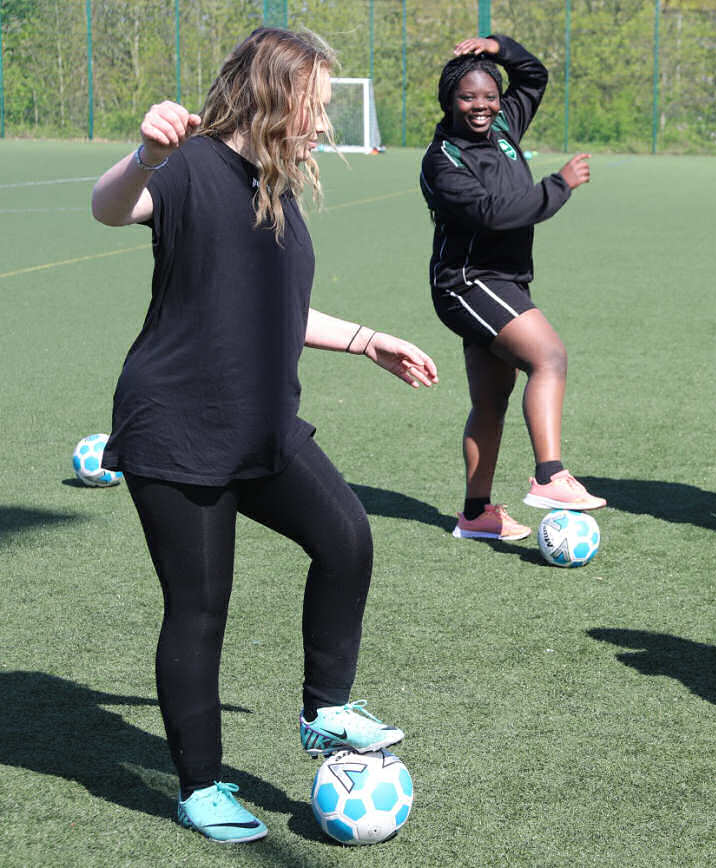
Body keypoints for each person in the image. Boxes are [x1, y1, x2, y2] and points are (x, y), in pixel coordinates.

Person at [90, 28, 439, 842]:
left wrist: (365, 339)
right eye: (314, 107)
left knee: (347, 537)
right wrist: (143, 153)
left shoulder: (270, 183)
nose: (321, 124)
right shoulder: (187, 163)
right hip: (177, 428)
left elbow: (271, 307)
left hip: (262, 424)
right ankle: (200, 787)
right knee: (200, 609)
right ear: (273, 96)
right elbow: (111, 208)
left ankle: (327, 710)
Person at [420, 34, 605, 542]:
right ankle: (550, 477)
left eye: (488, 96)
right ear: (448, 101)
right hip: (467, 284)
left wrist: (497, 46)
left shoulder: (504, 125)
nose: (480, 107)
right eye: (468, 97)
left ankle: (476, 513)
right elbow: (494, 214)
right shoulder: (443, 160)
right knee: (549, 357)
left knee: (490, 400)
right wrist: (559, 184)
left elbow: (534, 75)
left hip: (504, 282)